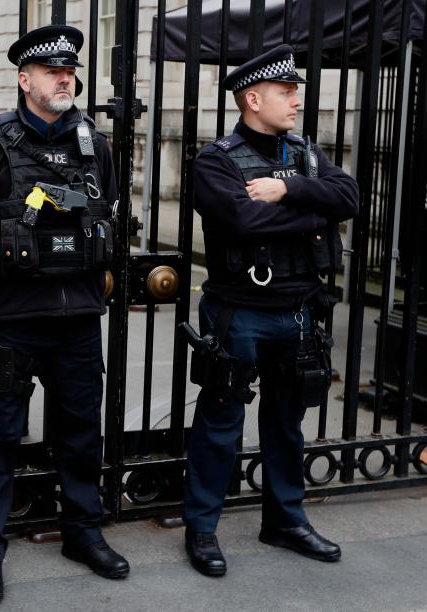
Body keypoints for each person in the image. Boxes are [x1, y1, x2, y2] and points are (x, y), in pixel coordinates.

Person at [0, 25, 129, 604]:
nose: (64, 78)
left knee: (79, 431)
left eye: (69, 71)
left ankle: (83, 532)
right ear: (25, 80)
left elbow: (108, 210)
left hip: (77, 319)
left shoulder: (96, 145)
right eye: (51, 71)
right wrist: (3, 271)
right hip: (13, 320)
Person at [183, 44, 359, 577]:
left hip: (300, 309)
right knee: (220, 421)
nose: (296, 101)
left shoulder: (303, 155)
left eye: (296, 92)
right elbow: (241, 223)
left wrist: (288, 190)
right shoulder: (216, 160)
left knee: (287, 422)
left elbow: (348, 197)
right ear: (253, 98)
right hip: (240, 311)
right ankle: (203, 529)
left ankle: (284, 519)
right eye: (286, 92)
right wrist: (314, 216)